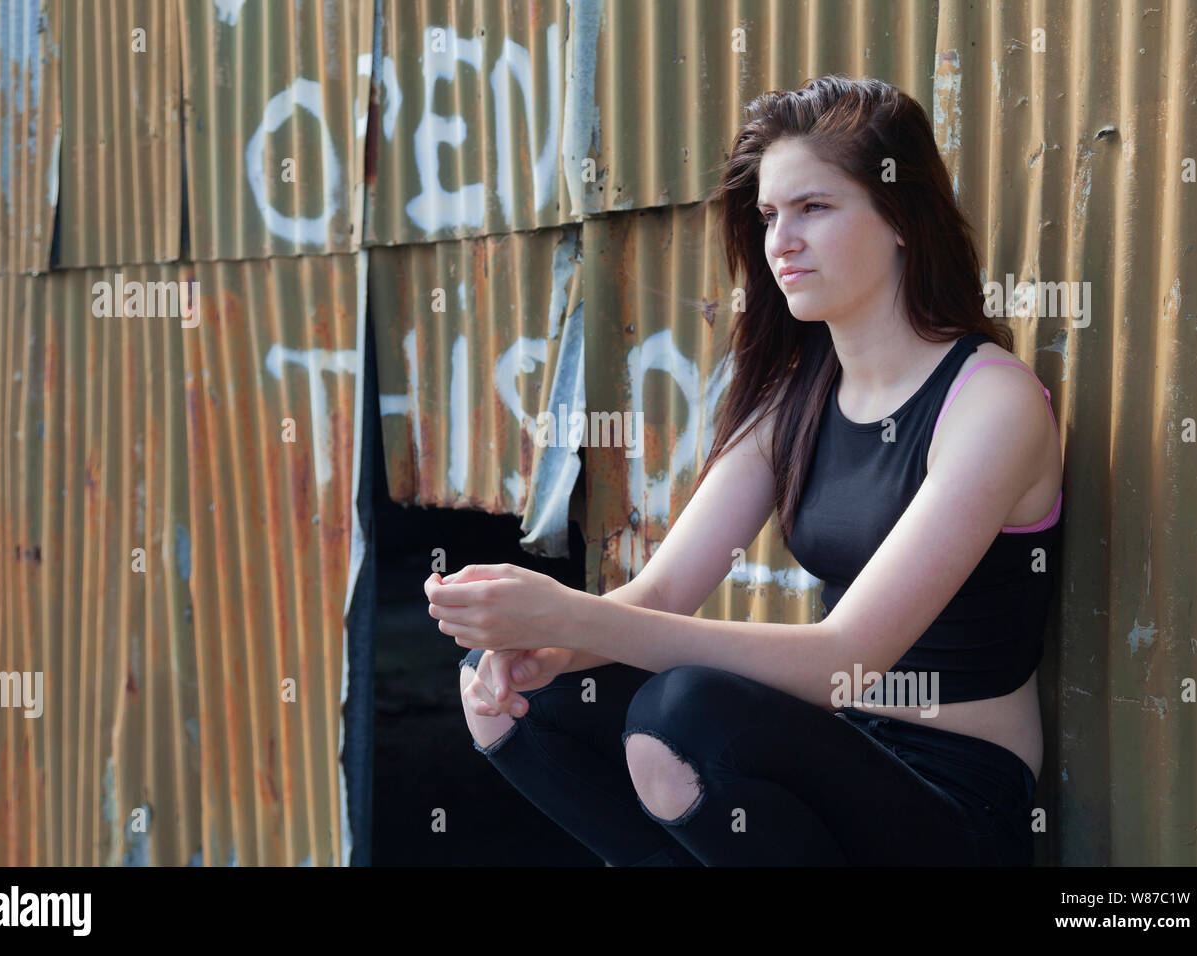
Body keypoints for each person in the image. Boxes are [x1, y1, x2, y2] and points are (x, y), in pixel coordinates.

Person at [429, 74, 1063, 866]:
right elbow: (659, 594)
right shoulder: (792, 399)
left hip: (954, 804)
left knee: (682, 720)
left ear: (901, 218)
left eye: (814, 209)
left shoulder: (990, 402)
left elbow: (844, 661)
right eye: (769, 216)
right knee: (519, 702)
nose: (780, 242)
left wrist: (569, 618)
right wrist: (546, 649)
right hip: (834, 751)